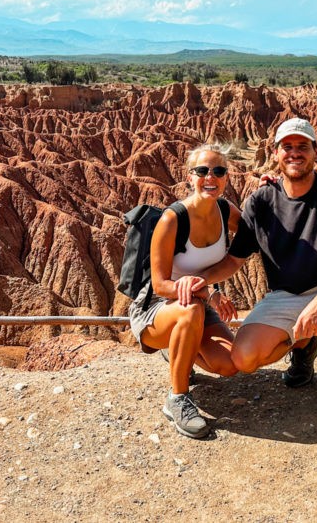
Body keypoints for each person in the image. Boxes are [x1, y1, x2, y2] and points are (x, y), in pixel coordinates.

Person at [190, 118, 317, 436]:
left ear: (316, 151)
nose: (295, 153)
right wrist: (201, 281)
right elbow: (235, 259)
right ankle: (304, 346)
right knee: (243, 359)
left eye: (303, 146)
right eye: (287, 147)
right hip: (283, 295)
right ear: (276, 153)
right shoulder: (261, 201)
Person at [127, 143, 240, 439]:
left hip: (200, 307)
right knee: (189, 309)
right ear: (190, 177)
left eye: (218, 171)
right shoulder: (172, 219)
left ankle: (179, 351)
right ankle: (177, 398)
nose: (210, 177)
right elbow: (160, 284)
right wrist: (209, 292)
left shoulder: (226, 211)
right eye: (202, 171)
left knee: (230, 365)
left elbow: (257, 231)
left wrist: (274, 191)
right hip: (157, 308)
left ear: (227, 177)